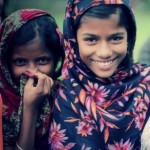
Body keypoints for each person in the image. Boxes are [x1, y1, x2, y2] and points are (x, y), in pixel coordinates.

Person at [48, 0, 150, 149]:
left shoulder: (146, 82)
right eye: (91, 39)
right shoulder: (56, 94)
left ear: (129, 36)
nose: (104, 52)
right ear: (73, 40)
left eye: (115, 38)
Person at [0, 9, 64, 150]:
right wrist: (30, 107)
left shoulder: (66, 97)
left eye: (42, 60)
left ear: (56, 60)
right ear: (5, 63)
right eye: (20, 62)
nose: (33, 72)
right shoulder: (2, 102)